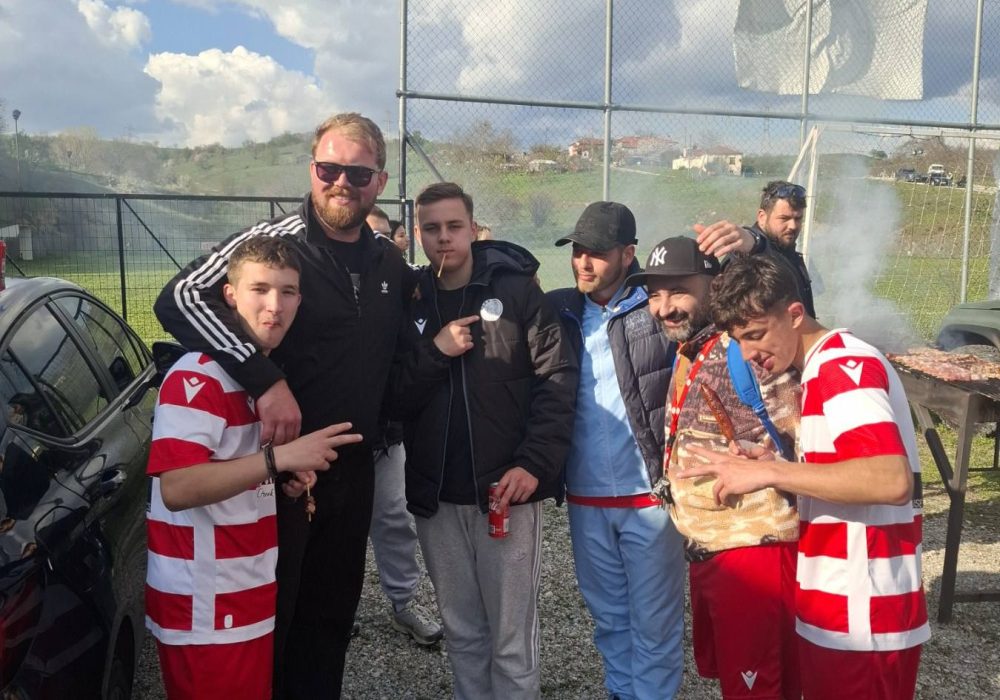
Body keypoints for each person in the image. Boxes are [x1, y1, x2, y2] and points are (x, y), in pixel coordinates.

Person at [154, 112, 416, 699]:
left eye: (358, 173)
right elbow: (180, 297)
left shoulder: (388, 262)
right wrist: (265, 379)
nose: (342, 182)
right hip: (282, 474)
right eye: (329, 168)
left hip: (355, 471)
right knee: (272, 623)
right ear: (312, 169)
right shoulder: (280, 239)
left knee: (330, 625)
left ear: (380, 180)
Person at [683, 254, 930, 700]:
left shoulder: (842, 366)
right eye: (738, 340)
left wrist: (771, 471)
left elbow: (890, 478)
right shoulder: (818, 371)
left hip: (863, 617)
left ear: (795, 314)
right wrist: (771, 468)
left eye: (755, 335)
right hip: (840, 612)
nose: (748, 354)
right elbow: (845, 471)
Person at [145, 237, 363, 699]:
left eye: (287, 292)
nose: (274, 306)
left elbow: (236, 475)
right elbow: (178, 487)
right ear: (229, 295)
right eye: (259, 289)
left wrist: (282, 480)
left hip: (246, 598)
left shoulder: (257, 377)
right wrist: (279, 458)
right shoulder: (196, 374)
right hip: (205, 610)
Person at [392, 182, 577, 699]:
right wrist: (436, 351)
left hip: (505, 493)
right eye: (432, 228)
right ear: (418, 235)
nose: (444, 238)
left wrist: (534, 464)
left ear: (473, 229)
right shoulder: (410, 301)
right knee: (463, 633)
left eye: (454, 226)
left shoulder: (516, 290)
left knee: (511, 641)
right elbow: (392, 398)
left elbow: (557, 380)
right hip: (436, 498)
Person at [626, 236, 803, 699]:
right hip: (713, 548)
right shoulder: (693, 349)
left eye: (678, 291)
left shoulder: (746, 350)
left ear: (715, 285)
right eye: (654, 295)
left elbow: (809, 440)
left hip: (755, 550)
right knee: (738, 682)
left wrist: (773, 466)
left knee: (758, 688)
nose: (664, 308)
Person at [546, 202, 685, 700]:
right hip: (586, 495)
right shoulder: (559, 311)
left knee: (655, 620)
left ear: (628, 254)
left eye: (597, 253)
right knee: (608, 617)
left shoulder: (659, 309)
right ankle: (622, 691)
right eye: (577, 251)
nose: (583, 262)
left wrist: (748, 243)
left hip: (649, 496)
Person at [695, 180, 817, 317]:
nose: (793, 226)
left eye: (798, 219)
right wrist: (754, 243)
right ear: (762, 217)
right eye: (784, 218)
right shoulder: (746, 257)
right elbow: (756, 249)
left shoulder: (788, 252)